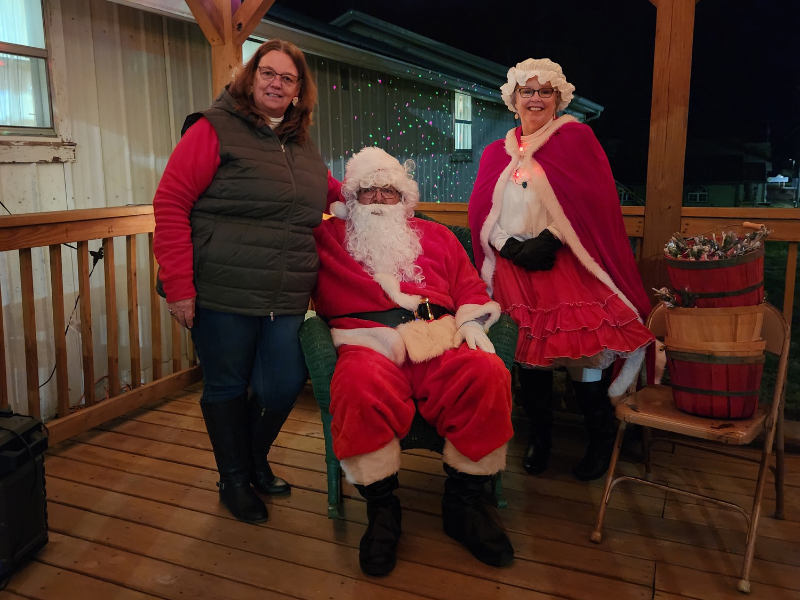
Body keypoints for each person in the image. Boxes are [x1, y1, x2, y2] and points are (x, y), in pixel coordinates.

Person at [153, 39, 341, 524]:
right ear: (250, 77)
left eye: (288, 78)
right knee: (227, 386)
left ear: (299, 91)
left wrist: (381, 194)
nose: (276, 83)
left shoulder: (300, 144)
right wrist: (179, 286)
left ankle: (253, 458)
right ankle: (234, 479)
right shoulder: (213, 128)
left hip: (285, 291)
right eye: (268, 73)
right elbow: (171, 204)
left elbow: (332, 190)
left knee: (281, 385)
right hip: (222, 288)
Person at [313, 147, 515, 576]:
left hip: (438, 335)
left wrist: (474, 322)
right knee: (357, 387)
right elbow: (293, 194)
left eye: (390, 191)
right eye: (368, 191)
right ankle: (383, 512)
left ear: (405, 198)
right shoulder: (327, 238)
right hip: (367, 341)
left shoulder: (437, 236)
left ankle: (463, 506)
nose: (380, 199)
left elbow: (469, 286)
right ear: (351, 199)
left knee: (486, 373)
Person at [468, 58, 655, 482]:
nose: (535, 98)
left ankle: (600, 439)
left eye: (544, 91)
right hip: (516, 269)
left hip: (566, 263)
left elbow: (589, 203)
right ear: (513, 100)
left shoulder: (576, 138)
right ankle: (540, 439)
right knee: (530, 362)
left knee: (583, 357)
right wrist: (509, 246)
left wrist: (550, 239)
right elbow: (482, 211)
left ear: (558, 99)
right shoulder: (496, 153)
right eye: (527, 91)